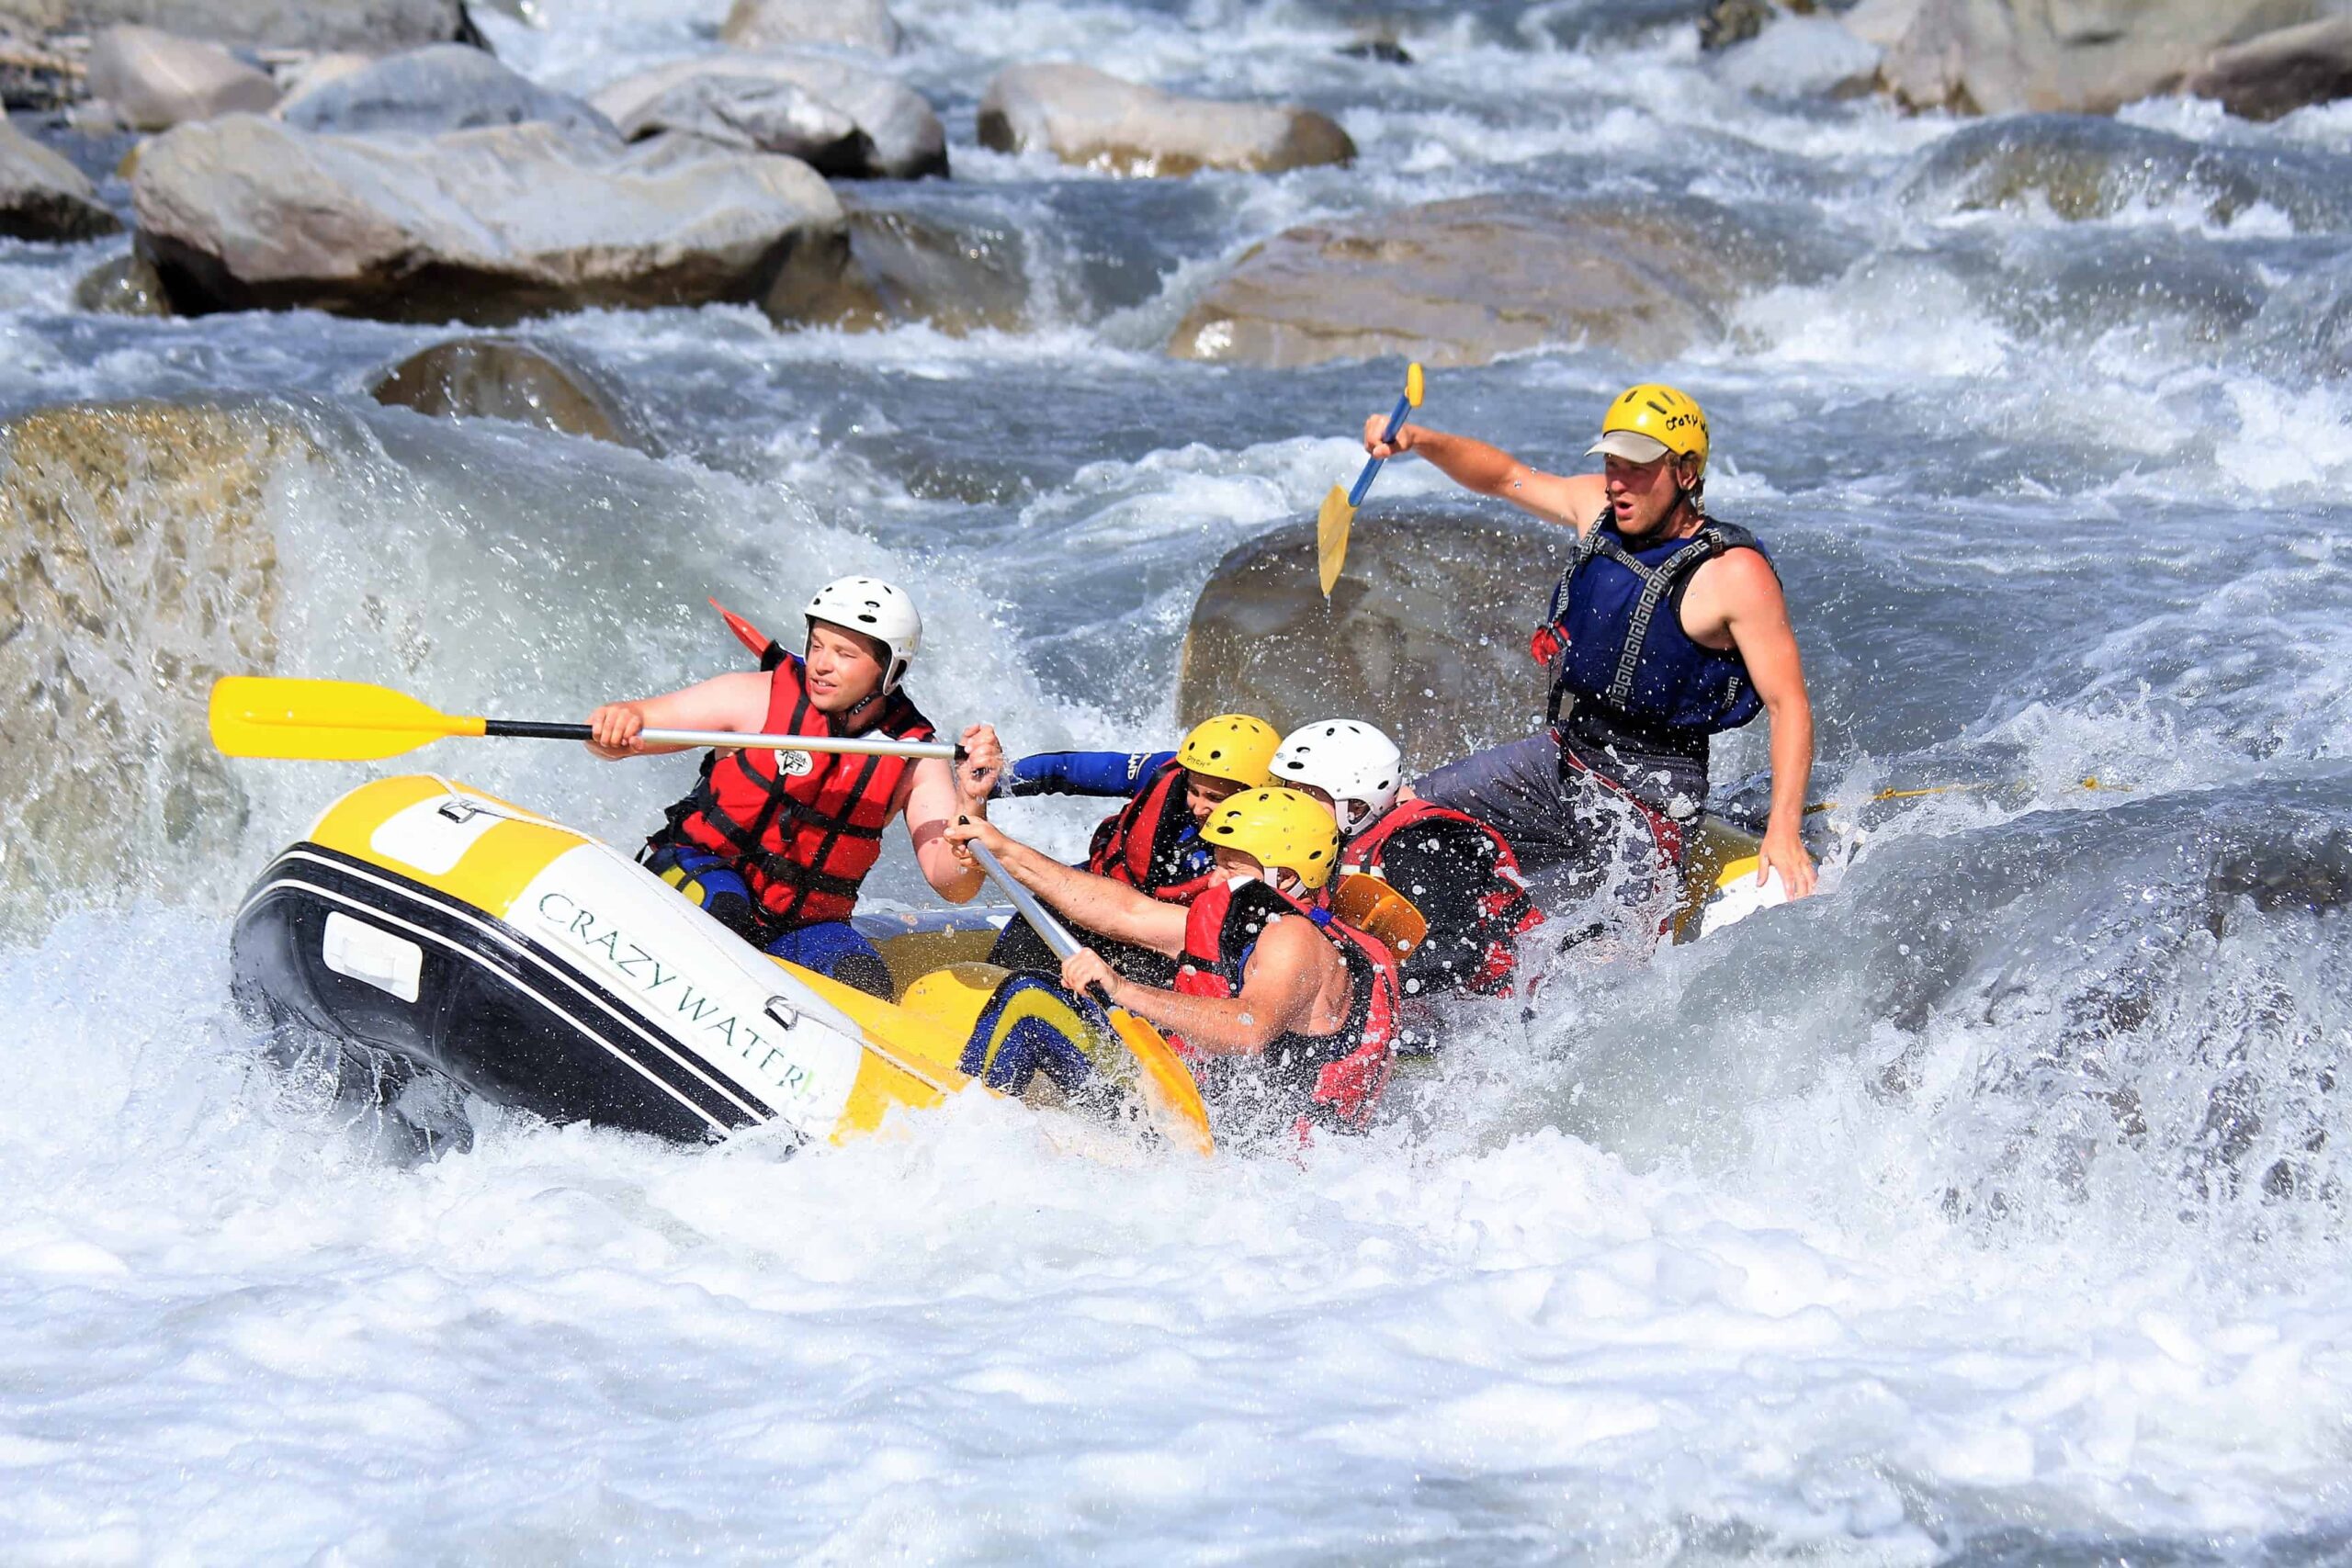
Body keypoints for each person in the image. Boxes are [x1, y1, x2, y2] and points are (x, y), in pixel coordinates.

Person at [1361, 382, 1816, 931]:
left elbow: (1787, 704)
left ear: (1687, 472)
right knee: (1398, 818)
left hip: (1653, 790)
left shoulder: (1733, 575)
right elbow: (1505, 476)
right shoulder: (1598, 510)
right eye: (1613, 464)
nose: (1619, 482)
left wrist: (1783, 831)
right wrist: (1418, 439)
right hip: (1562, 758)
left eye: (1639, 469)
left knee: (1614, 964)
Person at [585, 576, 1003, 998]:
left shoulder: (915, 757)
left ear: (890, 669)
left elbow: (955, 886)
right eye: (817, 645)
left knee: (862, 977)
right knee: (726, 909)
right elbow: (625, 735)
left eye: (844, 654)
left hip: (799, 926)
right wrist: (616, 720)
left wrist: (971, 799)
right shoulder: (751, 698)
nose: (822, 664)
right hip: (696, 875)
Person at [946, 789, 1401, 1134]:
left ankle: (955, 1138)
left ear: (1284, 875)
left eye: (1231, 867)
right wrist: (1003, 851)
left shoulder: (1293, 938)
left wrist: (1122, 990)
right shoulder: (1282, 926)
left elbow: (1248, 1028)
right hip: (1222, 1126)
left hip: (1232, 1144)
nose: (1214, 878)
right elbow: (1124, 912)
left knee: (1028, 1002)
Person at [1267, 718, 1541, 1016]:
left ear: (1356, 806)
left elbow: (1459, 954)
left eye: (1303, 796)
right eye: (1287, 791)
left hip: (1504, 1011)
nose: (1288, 806)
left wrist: (1348, 985)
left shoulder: (1414, 845)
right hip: (1440, 1006)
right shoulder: (1338, 841)